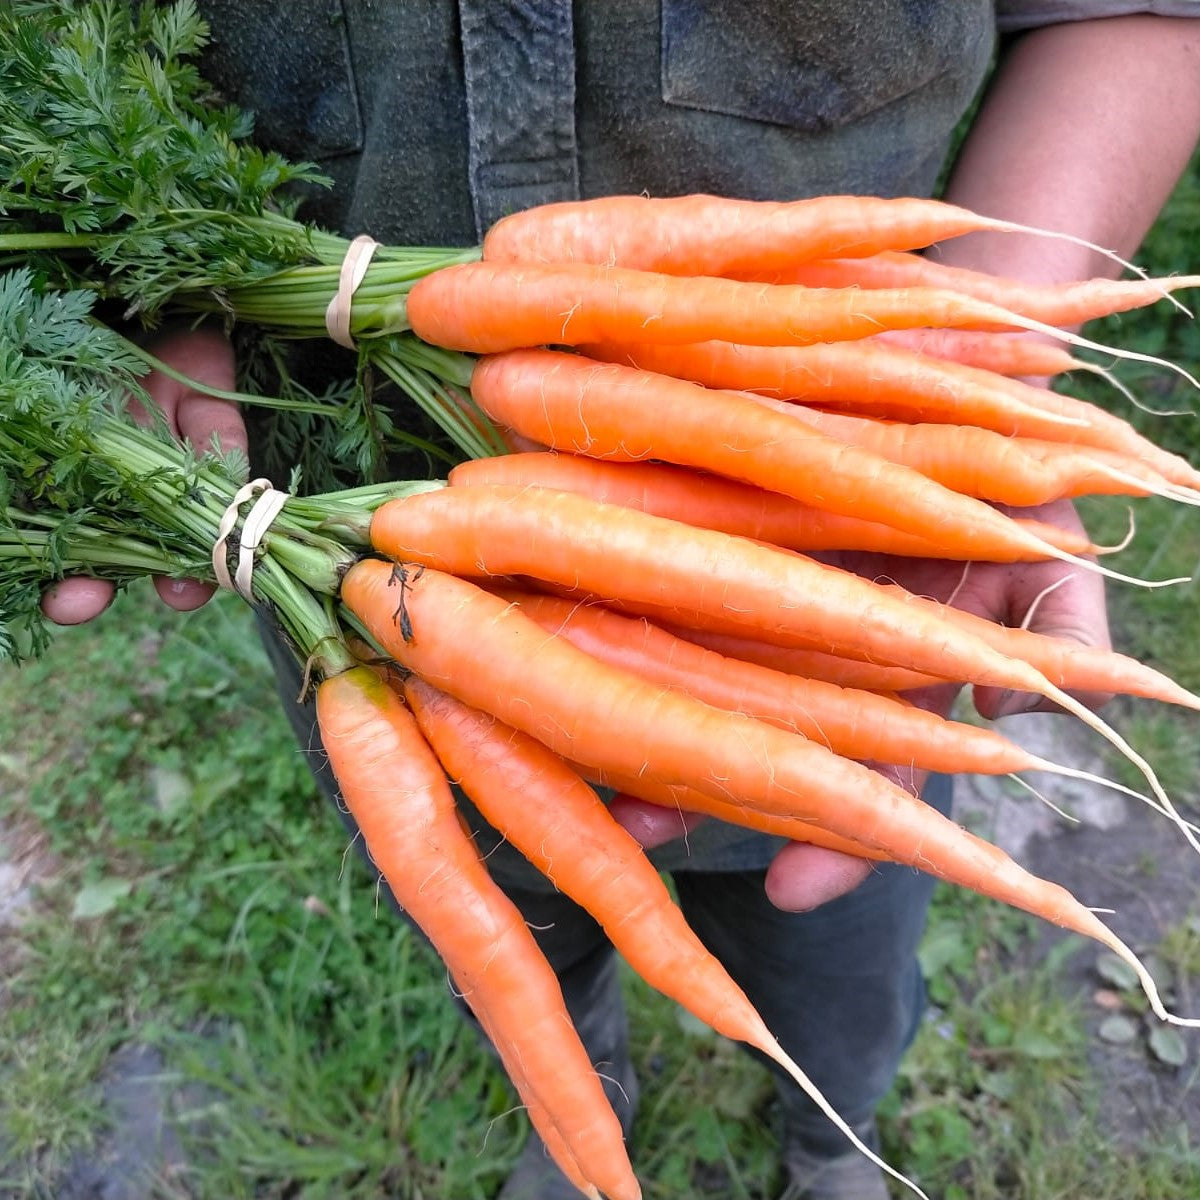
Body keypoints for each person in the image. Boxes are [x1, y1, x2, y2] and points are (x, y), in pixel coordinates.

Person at [44, 5, 1200, 1197]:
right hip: (380, 611)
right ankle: (575, 1111)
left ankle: (833, 1127)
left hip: (833, 617)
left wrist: (983, 363)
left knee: (838, 935)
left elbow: (1130, 11)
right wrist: (135, 285)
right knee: (499, 908)